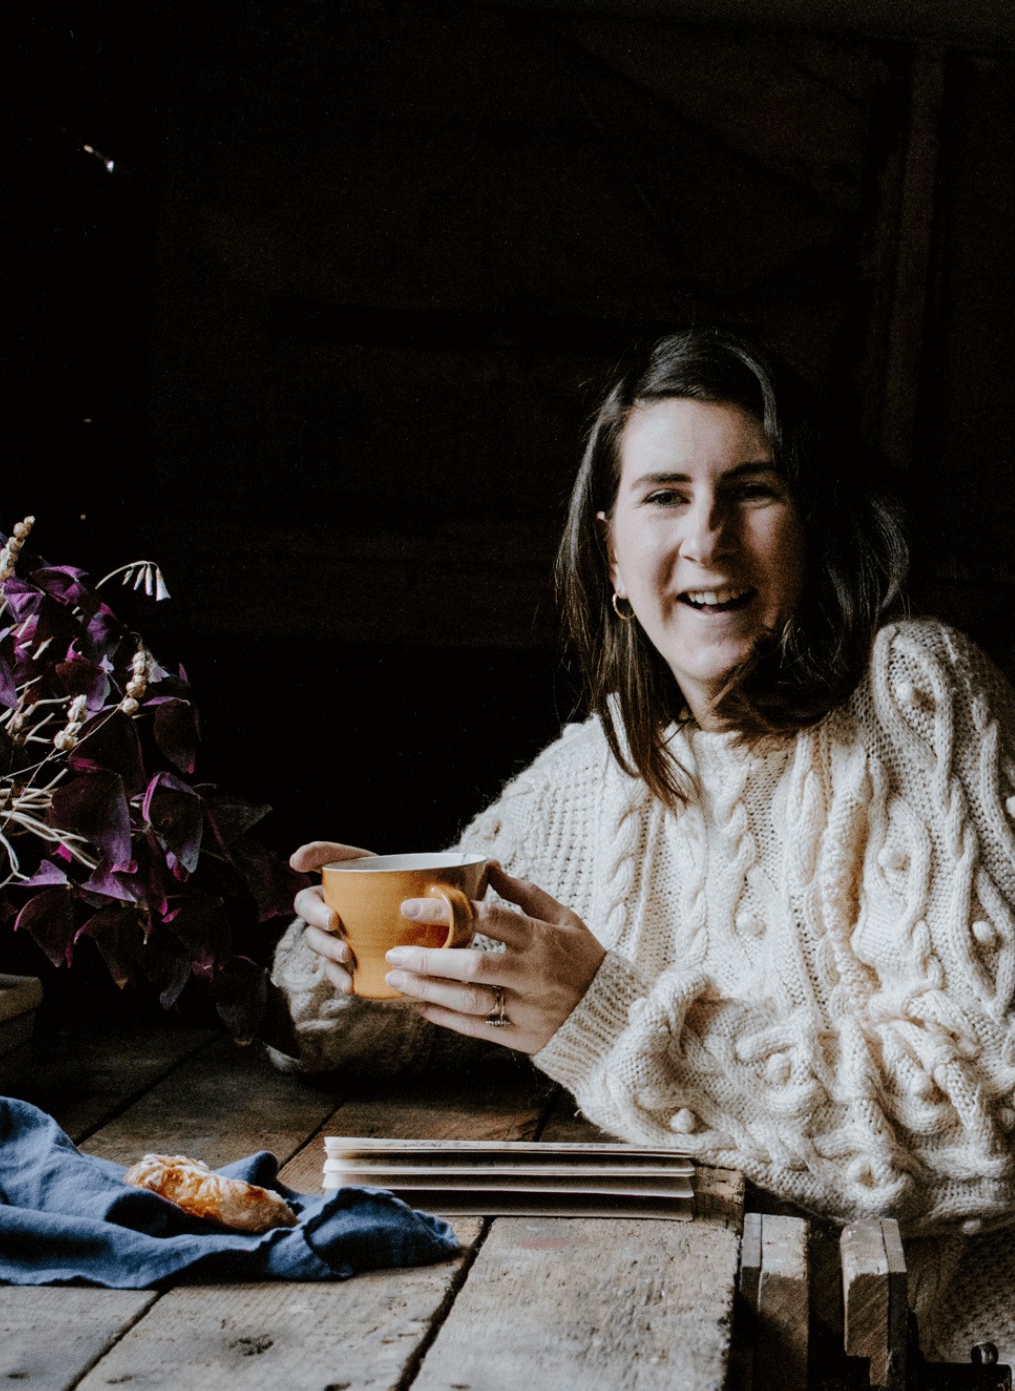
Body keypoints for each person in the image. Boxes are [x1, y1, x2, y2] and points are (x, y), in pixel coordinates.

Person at [270, 330, 1015, 1283]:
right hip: (677, 1291)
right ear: (613, 557)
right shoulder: (602, 766)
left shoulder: (911, 693)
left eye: (754, 490)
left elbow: (987, 1115)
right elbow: (406, 1009)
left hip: (933, 1349)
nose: (707, 538)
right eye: (664, 496)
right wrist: (351, 960)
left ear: (815, 523)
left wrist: (605, 1019)